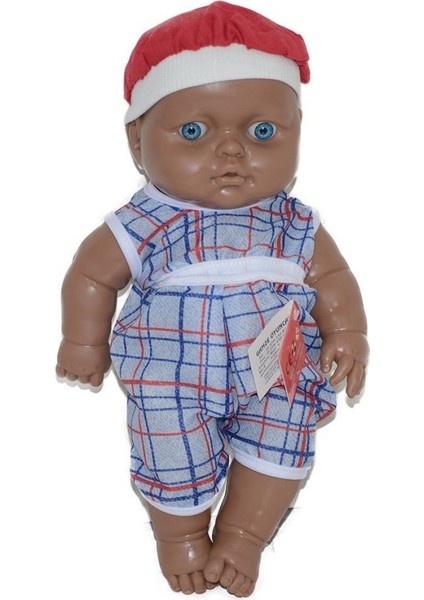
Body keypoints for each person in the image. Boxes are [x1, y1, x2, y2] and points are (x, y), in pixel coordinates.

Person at [56, 2, 369, 597]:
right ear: (137, 142)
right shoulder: (146, 221)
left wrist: (349, 332)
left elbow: (332, 276)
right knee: (169, 451)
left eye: (262, 132)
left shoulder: (293, 223)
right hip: (171, 377)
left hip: (276, 375)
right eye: (195, 132)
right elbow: (91, 276)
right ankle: (180, 536)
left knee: (283, 443)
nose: (231, 152)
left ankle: (244, 536)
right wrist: (82, 341)